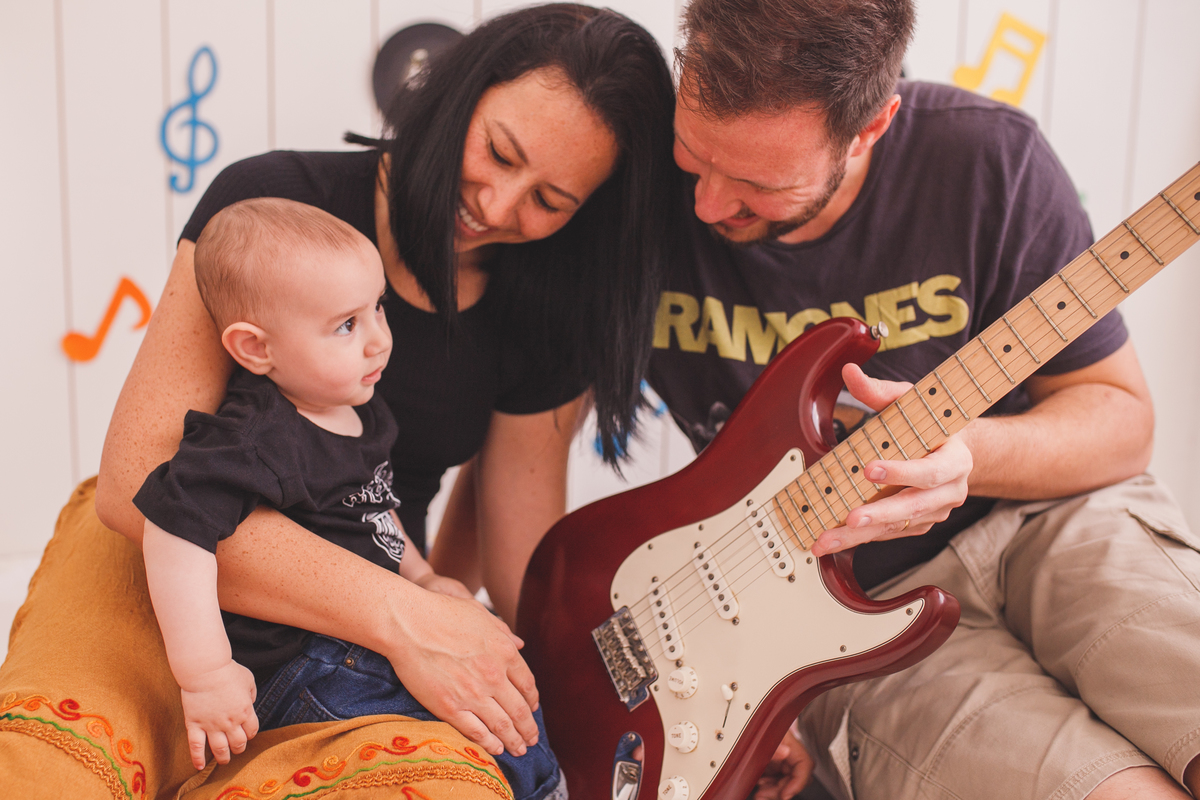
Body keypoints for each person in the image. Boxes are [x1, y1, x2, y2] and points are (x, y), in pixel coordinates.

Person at [95, 2, 680, 768]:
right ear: (461, 90)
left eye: (549, 201)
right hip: (192, 607)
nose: (497, 206)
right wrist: (404, 616)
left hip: (376, 629)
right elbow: (137, 491)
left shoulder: (547, 301)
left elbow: (518, 565)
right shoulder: (272, 207)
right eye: (499, 153)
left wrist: (659, 705)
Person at [645, 0, 1200, 798]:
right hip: (846, 614)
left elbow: (1121, 421)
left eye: (760, 184)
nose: (706, 203)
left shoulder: (992, 159)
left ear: (871, 128)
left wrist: (969, 455)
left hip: (1055, 522)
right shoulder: (632, 193)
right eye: (693, 154)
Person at [133, 197, 561, 799]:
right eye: (346, 326)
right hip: (305, 661)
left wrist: (423, 576)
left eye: (377, 307)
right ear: (255, 348)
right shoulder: (254, 438)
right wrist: (205, 673)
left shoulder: (357, 406)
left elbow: (374, 505)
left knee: (498, 673)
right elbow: (173, 528)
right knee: (462, 735)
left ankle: (546, 782)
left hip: (364, 639)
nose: (379, 340)